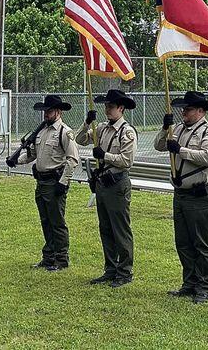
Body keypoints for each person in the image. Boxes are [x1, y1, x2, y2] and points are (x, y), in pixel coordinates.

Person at [154, 91, 208, 304]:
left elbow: (207, 157)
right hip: (181, 194)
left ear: (201, 111)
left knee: (201, 242)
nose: (184, 112)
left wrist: (181, 150)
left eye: (189, 109)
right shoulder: (179, 129)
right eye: (183, 109)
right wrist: (166, 128)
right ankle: (190, 282)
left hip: (201, 195)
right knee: (183, 241)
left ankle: (204, 285)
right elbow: (159, 145)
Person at [76, 89, 137, 288]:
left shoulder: (127, 132)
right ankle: (110, 268)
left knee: (120, 229)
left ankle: (125, 271)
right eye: (106, 106)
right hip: (102, 183)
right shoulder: (101, 128)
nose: (107, 110)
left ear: (121, 108)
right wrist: (87, 122)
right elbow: (80, 140)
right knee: (105, 228)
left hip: (117, 183)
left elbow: (126, 161)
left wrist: (105, 155)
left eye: (111, 107)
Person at [17, 95, 79, 272]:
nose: (46, 114)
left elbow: (72, 159)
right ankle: (48, 256)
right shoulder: (41, 131)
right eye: (45, 111)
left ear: (58, 112)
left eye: (49, 111)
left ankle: (61, 259)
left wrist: (63, 182)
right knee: (45, 220)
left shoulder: (65, 132)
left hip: (55, 182)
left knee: (57, 222)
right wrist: (16, 161)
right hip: (41, 181)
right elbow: (32, 154)